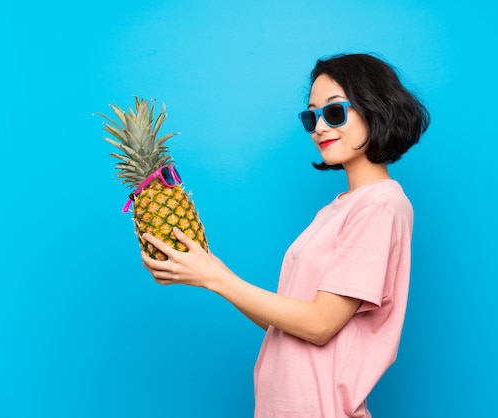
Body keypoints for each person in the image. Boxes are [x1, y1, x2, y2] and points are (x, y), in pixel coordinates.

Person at [141, 53, 430, 418]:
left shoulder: (380, 204)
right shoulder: (338, 209)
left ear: (375, 108)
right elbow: (288, 321)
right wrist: (209, 269)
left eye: (334, 112)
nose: (320, 127)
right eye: (311, 117)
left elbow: (320, 324)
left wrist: (216, 279)